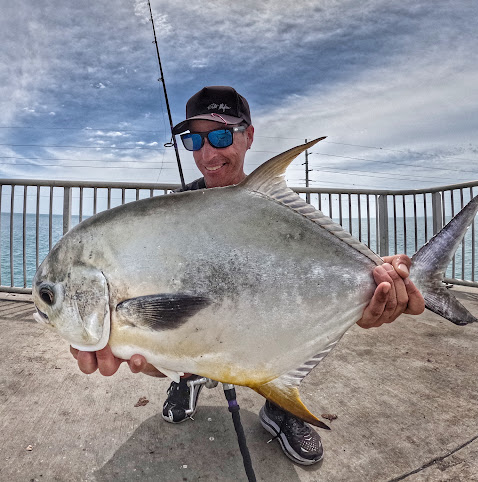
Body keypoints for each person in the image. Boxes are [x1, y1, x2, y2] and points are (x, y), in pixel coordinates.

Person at [71, 86, 425, 466]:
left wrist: (374, 286)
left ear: (249, 136)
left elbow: (315, 279)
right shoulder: (172, 216)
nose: (208, 154)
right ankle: (186, 378)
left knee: (275, 325)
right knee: (180, 347)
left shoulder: (281, 214)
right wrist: (141, 351)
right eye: (195, 140)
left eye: (221, 136)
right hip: (201, 338)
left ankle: (280, 402)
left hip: (264, 329)